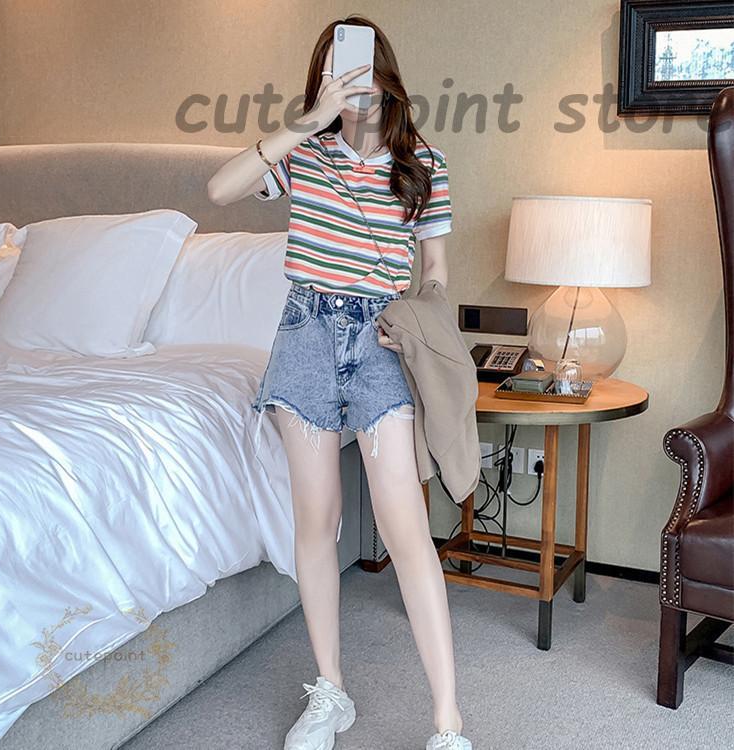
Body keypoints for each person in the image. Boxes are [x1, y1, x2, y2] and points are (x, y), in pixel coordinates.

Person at [207, 14, 472, 750]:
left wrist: (418, 316)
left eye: (356, 66)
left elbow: (437, 273)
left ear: (384, 75)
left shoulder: (424, 163)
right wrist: (307, 119)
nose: (347, 79)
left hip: (382, 338)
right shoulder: (304, 151)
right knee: (315, 520)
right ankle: (331, 691)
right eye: (332, 67)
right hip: (306, 337)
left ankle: (447, 719)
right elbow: (220, 188)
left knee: (404, 526)